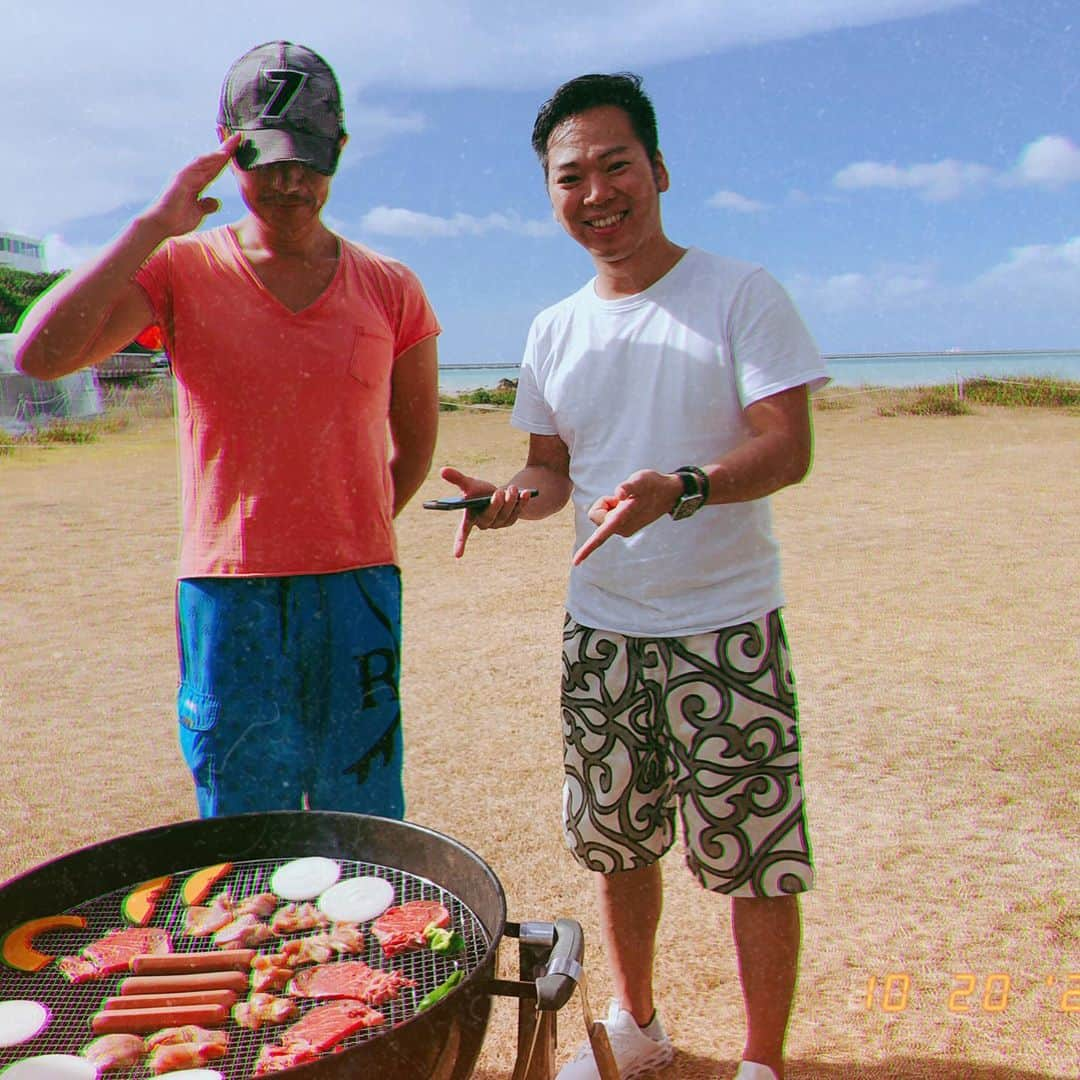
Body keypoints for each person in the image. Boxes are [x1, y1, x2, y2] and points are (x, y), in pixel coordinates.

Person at [440, 74, 828, 1080]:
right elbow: (554, 470)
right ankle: (640, 1025)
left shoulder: (740, 292)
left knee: (756, 860)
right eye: (572, 176)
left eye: (618, 165)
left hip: (725, 624)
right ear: (551, 194)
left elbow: (786, 448)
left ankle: (760, 1062)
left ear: (658, 169)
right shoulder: (553, 328)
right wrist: (508, 500)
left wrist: (686, 486)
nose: (597, 191)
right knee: (618, 847)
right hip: (603, 630)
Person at [16, 41, 440, 820]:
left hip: (359, 587)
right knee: (243, 813)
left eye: (310, 160)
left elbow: (413, 445)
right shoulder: (180, 269)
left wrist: (348, 529)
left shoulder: (390, 286)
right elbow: (41, 355)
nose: (289, 182)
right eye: (265, 159)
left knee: (367, 807)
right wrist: (152, 225)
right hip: (228, 590)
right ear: (227, 147)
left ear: (340, 150)